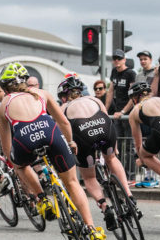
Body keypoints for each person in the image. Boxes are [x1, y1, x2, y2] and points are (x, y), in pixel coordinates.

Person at [0, 62, 106, 240]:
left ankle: (42, 199)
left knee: (20, 165)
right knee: (71, 182)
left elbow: (6, 147)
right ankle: (92, 229)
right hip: (51, 134)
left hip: (25, 139)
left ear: (6, 86)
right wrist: (70, 142)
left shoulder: (3, 105)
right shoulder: (42, 94)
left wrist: (13, 162)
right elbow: (63, 122)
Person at [59, 77, 141, 231]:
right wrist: (114, 146)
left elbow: (62, 133)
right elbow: (107, 119)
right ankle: (129, 196)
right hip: (104, 127)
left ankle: (105, 207)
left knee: (89, 176)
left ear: (64, 96)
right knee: (111, 158)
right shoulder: (94, 99)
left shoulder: (64, 107)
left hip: (83, 134)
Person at [104, 49, 137, 183]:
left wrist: (123, 111)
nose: (117, 61)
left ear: (124, 59)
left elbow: (133, 95)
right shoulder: (114, 72)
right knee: (116, 146)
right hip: (117, 113)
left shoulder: (130, 73)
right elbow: (111, 91)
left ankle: (131, 176)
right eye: (115, 58)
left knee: (129, 146)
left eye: (119, 58)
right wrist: (104, 110)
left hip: (127, 114)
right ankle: (119, 175)